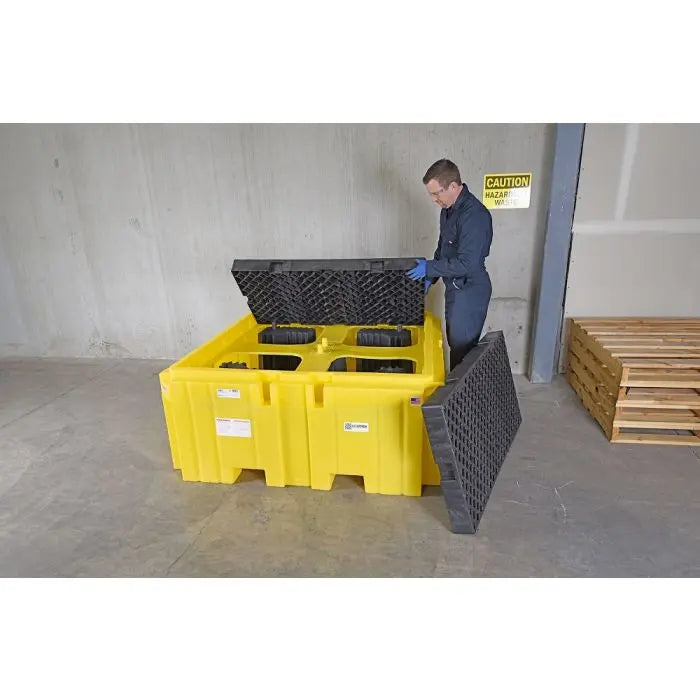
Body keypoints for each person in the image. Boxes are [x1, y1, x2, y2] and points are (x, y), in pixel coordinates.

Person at [407, 159, 493, 371]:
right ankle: (456, 388)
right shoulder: (448, 210)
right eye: (431, 195)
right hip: (454, 287)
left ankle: (461, 391)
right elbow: (443, 249)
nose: (434, 200)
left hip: (470, 290)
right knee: (456, 344)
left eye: (437, 194)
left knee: (463, 351)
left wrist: (429, 267)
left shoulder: (474, 215)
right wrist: (430, 277)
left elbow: (467, 264)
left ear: (453, 186)